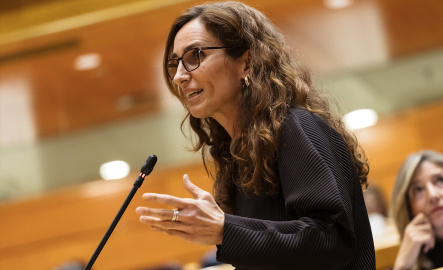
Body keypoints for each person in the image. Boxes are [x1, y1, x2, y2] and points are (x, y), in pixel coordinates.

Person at [136, 2, 375, 269]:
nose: (180, 76)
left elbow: (332, 239)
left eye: (196, 56)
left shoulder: (296, 127)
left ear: (247, 63)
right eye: (175, 63)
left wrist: (226, 230)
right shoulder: (237, 153)